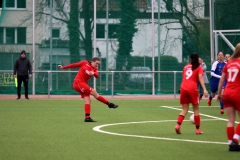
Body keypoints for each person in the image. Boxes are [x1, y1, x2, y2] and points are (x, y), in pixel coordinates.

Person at [58, 57, 118, 122]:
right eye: (96, 63)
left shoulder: (95, 69)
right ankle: (109, 104)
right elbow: (74, 65)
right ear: (92, 61)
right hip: (78, 83)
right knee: (94, 92)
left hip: (83, 84)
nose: (97, 65)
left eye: (98, 64)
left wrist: (93, 73)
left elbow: (97, 76)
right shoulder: (85, 62)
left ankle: (87, 117)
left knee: (88, 101)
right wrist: (63, 67)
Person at [175, 53, 208, 135]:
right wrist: (204, 89)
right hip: (192, 89)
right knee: (196, 109)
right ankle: (197, 129)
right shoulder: (198, 67)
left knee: (184, 109)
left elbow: (184, 78)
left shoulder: (186, 67)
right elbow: (200, 78)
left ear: (190, 59)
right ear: (197, 59)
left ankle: (178, 125)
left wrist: (181, 89)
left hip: (183, 88)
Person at [217, 43, 240, 151]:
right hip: (237, 92)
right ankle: (235, 140)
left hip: (227, 92)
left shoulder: (229, 63)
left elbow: (222, 79)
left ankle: (230, 144)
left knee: (231, 120)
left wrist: (219, 94)